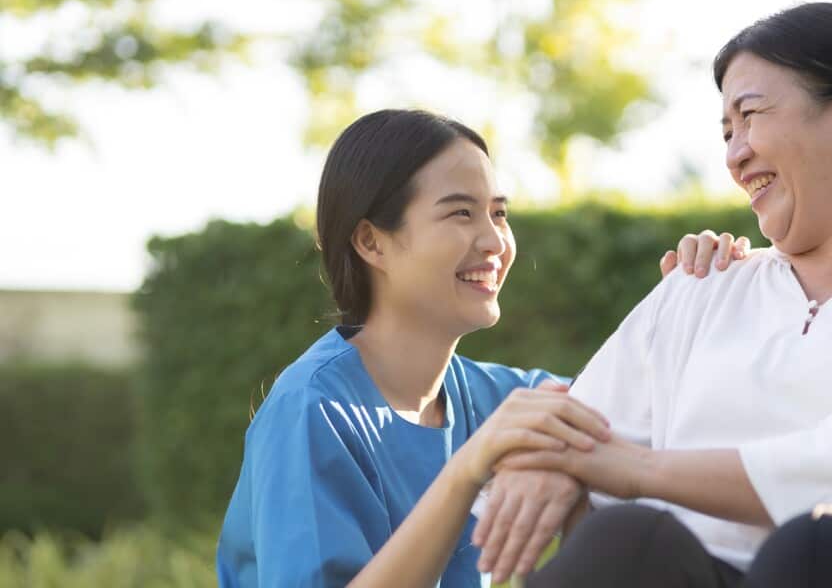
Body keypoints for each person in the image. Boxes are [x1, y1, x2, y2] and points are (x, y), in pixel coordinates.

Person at [476, 3, 832, 588]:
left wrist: (639, 470)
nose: (735, 153)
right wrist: (548, 463)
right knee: (628, 541)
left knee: (819, 548)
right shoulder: (702, 287)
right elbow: (582, 438)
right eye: (727, 132)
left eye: (750, 117)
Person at [215, 109, 744, 587]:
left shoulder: (506, 396)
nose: (494, 241)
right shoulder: (311, 410)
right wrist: (470, 470)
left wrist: (705, 290)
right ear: (372, 241)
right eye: (460, 213)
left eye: (498, 213)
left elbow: (655, 417)